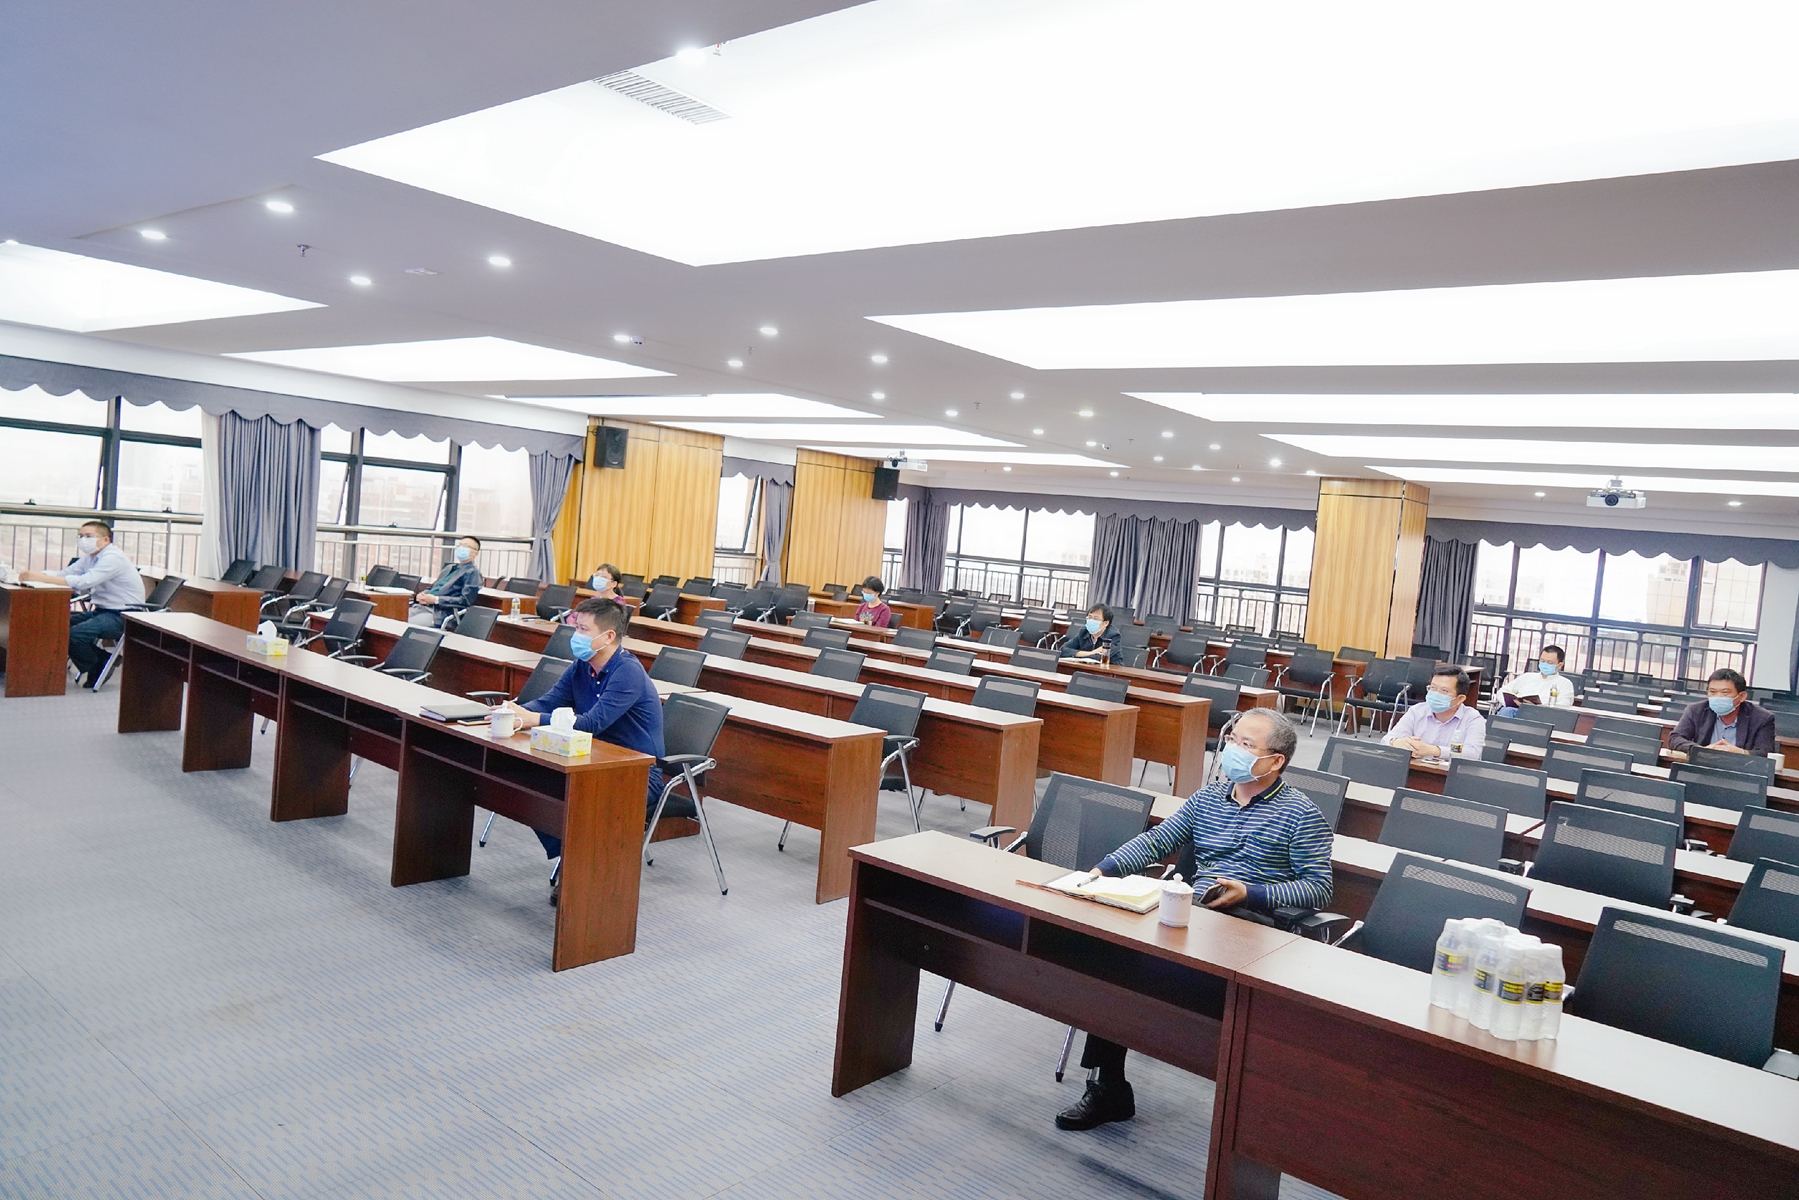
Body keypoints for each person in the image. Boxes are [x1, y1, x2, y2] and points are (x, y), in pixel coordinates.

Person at [1054, 708, 1331, 1132]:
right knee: (1117, 963)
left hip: (1253, 927)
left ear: (1276, 761)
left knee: (1150, 974)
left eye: (1246, 745)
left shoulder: (1301, 814)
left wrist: (1252, 892)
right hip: (1194, 914)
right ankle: (1109, 1087)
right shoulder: (1208, 798)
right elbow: (1157, 840)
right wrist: (1100, 871)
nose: (1232, 749)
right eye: (1232, 739)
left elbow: (1319, 888)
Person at [501, 598, 665, 896]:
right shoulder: (582, 666)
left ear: (608, 636)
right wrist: (515, 712)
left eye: (583, 629)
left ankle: (581, 870)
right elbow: (549, 702)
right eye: (576, 627)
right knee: (532, 784)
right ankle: (574, 857)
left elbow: (591, 723)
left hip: (636, 772)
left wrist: (533, 719)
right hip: (588, 758)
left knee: (573, 798)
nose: (575, 635)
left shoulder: (627, 672)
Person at [21, 520, 144, 689]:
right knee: (56, 626)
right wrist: (36, 575)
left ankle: (99, 664)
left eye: (89, 536)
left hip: (123, 615)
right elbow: (65, 574)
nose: (83, 540)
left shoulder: (113, 558)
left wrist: (41, 578)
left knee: (74, 635)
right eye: (81, 536)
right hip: (102, 611)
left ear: (106, 540)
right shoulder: (90, 558)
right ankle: (103, 660)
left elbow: (84, 582)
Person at [1385, 665, 1486, 759]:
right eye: (1433, 688)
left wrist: (1434, 750)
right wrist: (1397, 742)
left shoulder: (1473, 719)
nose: (1436, 694)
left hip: (1454, 772)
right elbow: (1386, 740)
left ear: (1460, 699)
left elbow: (1472, 753)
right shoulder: (1417, 711)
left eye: (1444, 691)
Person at [1669, 668, 1776, 757]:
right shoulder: (1696, 710)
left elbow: (1765, 752)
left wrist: (1742, 753)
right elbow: (1675, 739)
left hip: (1740, 771)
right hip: (1702, 766)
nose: (1718, 697)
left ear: (1742, 696)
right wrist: (1701, 750)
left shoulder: (1762, 718)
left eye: (1725, 693)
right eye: (1713, 692)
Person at [410, 536, 483, 627]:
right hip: (422, 606)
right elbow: (434, 587)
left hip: (440, 613)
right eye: (460, 545)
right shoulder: (449, 568)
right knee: (396, 618)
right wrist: (423, 594)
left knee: (406, 625)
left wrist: (436, 600)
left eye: (466, 546)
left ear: (475, 553)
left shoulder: (473, 573)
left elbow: (465, 600)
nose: (461, 548)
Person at [1494, 644, 1575, 717]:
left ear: (1560, 665)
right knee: (1507, 711)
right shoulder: (1527, 677)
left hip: (1541, 717)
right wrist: (1511, 702)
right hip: (1516, 711)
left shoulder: (1565, 684)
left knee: (1507, 712)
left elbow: (1563, 707)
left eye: (1549, 663)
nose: (1545, 664)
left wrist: (1537, 708)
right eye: (1542, 661)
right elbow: (1502, 691)